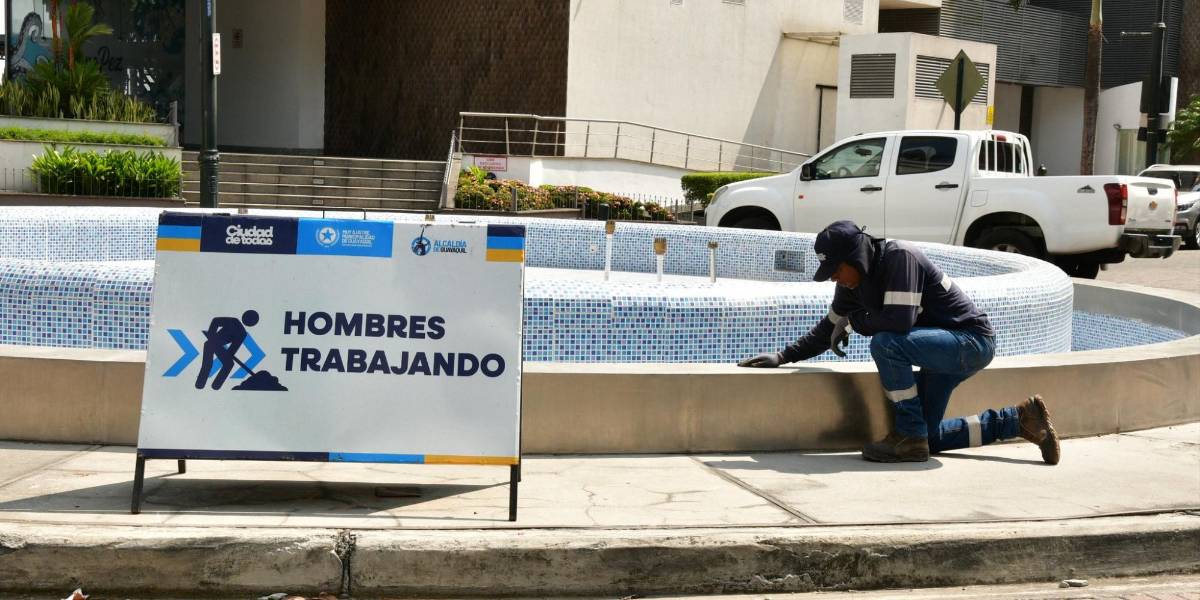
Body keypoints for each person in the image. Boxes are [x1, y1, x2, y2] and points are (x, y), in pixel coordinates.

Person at [738, 220, 1060, 464]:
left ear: (855, 257)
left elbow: (897, 321)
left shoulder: (899, 259)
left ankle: (907, 436)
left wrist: (854, 321)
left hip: (970, 342)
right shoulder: (852, 285)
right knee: (928, 437)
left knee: (886, 343)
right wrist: (783, 356)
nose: (833, 277)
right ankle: (1017, 420)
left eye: (835, 269)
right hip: (940, 353)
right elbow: (829, 329)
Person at [196, 310, 259, 391]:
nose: (250, 321)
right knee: (207, 364)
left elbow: (233, 348)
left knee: (229, 364)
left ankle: (216, 385)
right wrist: (212, 335)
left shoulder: (242, 333)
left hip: (219, 347)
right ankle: (200, 383)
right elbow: (215, 321)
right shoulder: (234, 322)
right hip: (210, 344)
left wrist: (228, 355)